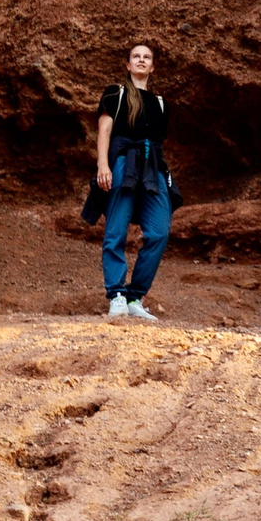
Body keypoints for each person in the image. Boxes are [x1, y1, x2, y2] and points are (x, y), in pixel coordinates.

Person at [95, 43, 173, 320]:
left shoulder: (160, 102)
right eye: (136, 56)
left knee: (160, 231)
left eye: (147, 57)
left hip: (152, 167)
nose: (141, 60)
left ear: (153, 67)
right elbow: (105, 130)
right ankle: (116, 294)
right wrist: (103, 165)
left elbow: (159, 143)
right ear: (128, 65)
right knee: (116, 230)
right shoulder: (116, 93)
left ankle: (134, 297)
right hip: (122, 163)